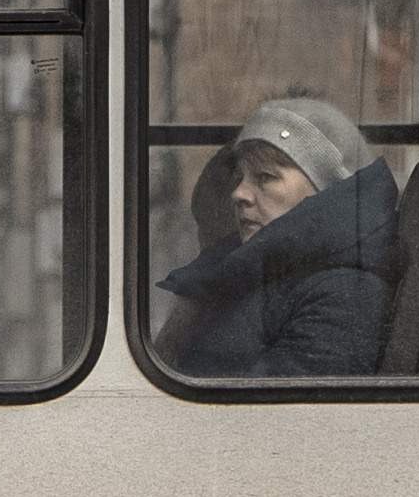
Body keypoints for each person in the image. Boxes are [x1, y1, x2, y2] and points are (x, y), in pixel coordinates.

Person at [149, 96, 398, 379]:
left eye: (265, 177)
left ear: (326, 191)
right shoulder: (242, 271)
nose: (238, 193)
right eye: (240, 177)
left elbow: (277, 415)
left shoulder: (346, 294)